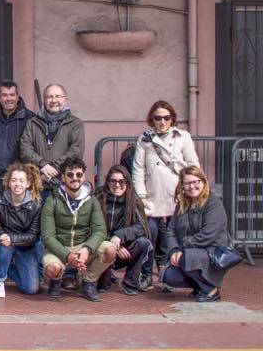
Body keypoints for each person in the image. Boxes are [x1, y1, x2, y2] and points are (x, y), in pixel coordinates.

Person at [132, 100, 200, 291]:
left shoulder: (183, 137)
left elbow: (193, 165)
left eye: (166, 118)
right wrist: (142, 196)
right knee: (150, 236)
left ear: (172, 118)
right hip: (152, 198)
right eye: (158, 118)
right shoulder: (145, 139)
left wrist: (189, 192)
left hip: (177, 197)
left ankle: (170, 276)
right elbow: (138, 170)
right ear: (151, 119)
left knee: (173, 238)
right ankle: (147, 275)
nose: (162, 122)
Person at [40, 157, 114, 302]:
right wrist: (67, 255)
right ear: (63, 177)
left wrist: (86, 250)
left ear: (83, 176)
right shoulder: (52, 200)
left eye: (79, 174)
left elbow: (100, 230)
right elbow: (47, 236)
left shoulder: (91, 200)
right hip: (60, 247)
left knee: (110, 250)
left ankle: (89, 281)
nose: (75, 178)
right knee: (52, 268)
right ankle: (56, 280)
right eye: (70, 175)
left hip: (82, 246)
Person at [162, 166, 232, 302]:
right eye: (187, 183)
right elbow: (170, 230)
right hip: (188, 252)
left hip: (212, 251)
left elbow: (209, 234)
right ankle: (199, 286)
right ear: (182, 186)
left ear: (203, 182)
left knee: (186, 259)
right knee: (169, 276)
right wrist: (174, 250)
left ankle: (210, 290)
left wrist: (182, 249)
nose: (192, 186)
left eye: (195, 182)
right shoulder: (182, 205)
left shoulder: (213, 203)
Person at [95, 165, 152, 295]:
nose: (117, 185)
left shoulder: (134, 200)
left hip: (125, 251)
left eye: (122, 181)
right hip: (103, 247)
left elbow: (142, 227)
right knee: (102, 287)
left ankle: (131, 283)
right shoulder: (98, 197)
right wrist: (114, 245)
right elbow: (91, 228)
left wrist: (120, 236)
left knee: (143, 243)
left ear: (127, 182)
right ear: (107, 181)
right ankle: (103, 277)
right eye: (113, 181)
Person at [0, 162, 43, 297]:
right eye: (13, 180)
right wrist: (2, 235)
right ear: (8, 183)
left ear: (28, 184)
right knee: (4, 246)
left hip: (25, 246)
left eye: (21, 180)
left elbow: (33, 236)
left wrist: (13, 239)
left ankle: (7, 268)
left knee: (31, 289)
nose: (17, 184)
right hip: (4, 244)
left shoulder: (35, 206)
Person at [20, 84, 85, 191]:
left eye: (58, 96)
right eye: (49, 97)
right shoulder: (32, 123)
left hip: (65, 184)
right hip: (38, 183)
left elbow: (76, 151)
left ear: (65, 99)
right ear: (44, 100)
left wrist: (55, 168)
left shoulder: (75, 123)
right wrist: (43, 165)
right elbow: (25, 150)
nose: (54, 100)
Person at [0, 81, 35, 199]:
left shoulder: (30, 119)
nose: (8, 99)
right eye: (4, 95)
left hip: (20, 179)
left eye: (12, 95)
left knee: (19, 215)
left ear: (17, 97)